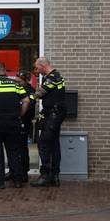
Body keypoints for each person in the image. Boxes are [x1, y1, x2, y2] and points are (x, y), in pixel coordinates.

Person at [31, 56, 67, 187]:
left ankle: (45, 175)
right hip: (54, 114)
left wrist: (28, 96)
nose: (37, 70)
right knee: (54, 144)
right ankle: (55, 176)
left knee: (43, 144)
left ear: (43, 65)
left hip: (53, 115)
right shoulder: (54, 76)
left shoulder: (53, 77)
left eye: (37, 67)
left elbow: (40, 93)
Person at [13, 70, 38, 183]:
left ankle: (23, 172)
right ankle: (13, 171)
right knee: (12, 147)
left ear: (25, 81)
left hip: (24, 121)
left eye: (19, 81)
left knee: (22, 147)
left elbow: (28, 106)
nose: (17, 82)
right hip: (14, 121)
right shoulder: (16, 89)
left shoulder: (30, 91)